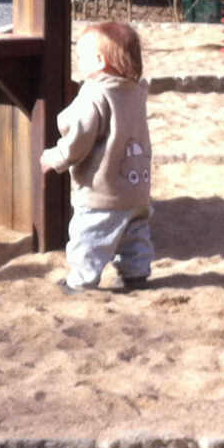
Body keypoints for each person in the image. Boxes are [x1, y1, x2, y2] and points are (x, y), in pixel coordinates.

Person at [40, 21, 153, 294]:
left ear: (100, 61)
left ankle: (81, 280)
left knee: (88, 236)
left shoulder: (93, 94)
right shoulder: (136, 91)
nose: (78, 62)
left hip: (103, 191)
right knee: (134, 233)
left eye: (82, 57)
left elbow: (80, 138)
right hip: (137, 188)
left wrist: (57, 157)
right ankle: (136, 274)